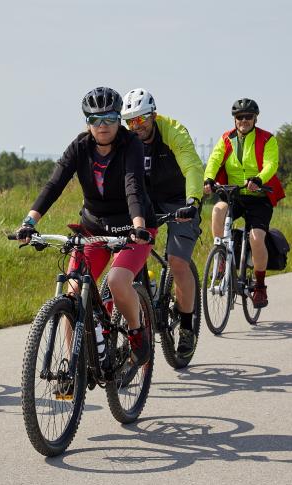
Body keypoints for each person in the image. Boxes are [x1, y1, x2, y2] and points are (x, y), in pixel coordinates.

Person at [15, 86, 158, 366]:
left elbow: (133, 186)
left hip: (133, 229)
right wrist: (29, 222)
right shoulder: (80, 147)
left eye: (109, 118)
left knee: (117, 281)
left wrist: (138, 226)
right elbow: (54, 184)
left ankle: (136, 331)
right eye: (95, 119)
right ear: (87, 122)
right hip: (94, 229)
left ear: (119, 119)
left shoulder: (131, 144)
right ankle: (74, 368)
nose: (102, 125)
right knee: (72, 294)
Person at [120, 88, 204, 358]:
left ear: (153, 115)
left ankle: (187, 327)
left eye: (141, 120)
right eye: (130, 121)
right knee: (125, 256)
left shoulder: (174, 132)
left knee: (177, 262)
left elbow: (192, 167)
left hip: (179, 200)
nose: (136, 127)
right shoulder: (125, 138)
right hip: (145, 201)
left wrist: (193, 201)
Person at [202, 98, 285, 308]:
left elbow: (271, 164)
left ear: (255, 118)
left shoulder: (267, 139)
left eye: (248, 117)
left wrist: (259, 179)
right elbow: (214, 159)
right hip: (235, 194)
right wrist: (209, 178)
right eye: (240, 117)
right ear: (235, 119)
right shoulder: (226, 138)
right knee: (218, 210)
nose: (244, 120)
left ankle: (260, 286)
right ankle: (221, 257)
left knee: (256, 239)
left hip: (259, 197)